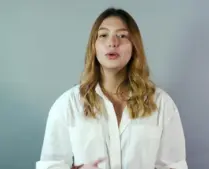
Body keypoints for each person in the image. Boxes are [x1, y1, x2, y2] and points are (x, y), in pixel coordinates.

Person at [36, 7, 188, 169]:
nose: (112, 42)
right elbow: (50, 165)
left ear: (134, 47)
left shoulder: (161, 104)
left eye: (122, 36)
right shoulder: (67, 105)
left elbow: (173, 166)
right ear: (93, 46)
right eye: (103, 35)